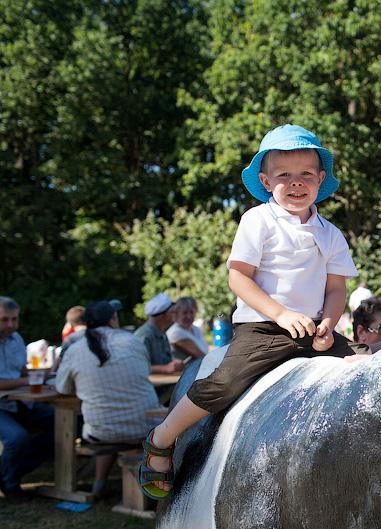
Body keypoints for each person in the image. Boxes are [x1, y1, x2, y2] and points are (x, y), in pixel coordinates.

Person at [140, 124, 361, 499]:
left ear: (321, 180)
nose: (296, 184)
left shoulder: (330, 233)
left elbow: (337, 287)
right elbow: (239, 279)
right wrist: (280, 314)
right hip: (263, 327)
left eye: (306, 174)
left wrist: (328, 322)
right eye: (284, 176)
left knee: (367, 365)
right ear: (265, 180)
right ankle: (162, 438)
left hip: (314, 329)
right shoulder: (258, 221)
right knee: (225, 382)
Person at [55, 301, 159, 498]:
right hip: (145, 427)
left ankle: (98, 483)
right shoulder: (132, 341)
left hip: (101, 431)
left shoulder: (75, 349)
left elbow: (62, 388)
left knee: (108, 419)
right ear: (113, 319)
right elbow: (144, 370)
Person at [0, 297, 54, 501]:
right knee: (16, 438)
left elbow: (21, 370)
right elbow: (20, 378)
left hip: (19, 400)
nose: (11, 325)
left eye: (14, 319)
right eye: (5, 320)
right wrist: (26, 380)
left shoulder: (16, 339)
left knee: (64, 423)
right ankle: (10, 483)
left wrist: (41, 373)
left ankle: (8, 473)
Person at [134, 293, 184, 375]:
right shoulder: (144, 335)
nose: (175, 315)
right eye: (172, 312)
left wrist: (174, 364)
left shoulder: (162, 333)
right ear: (161, 316)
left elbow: (165, 362)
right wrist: (164, 369)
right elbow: (138, 367)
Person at [166, 297, 208, 361]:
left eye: (191, 312)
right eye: (184, 313)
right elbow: (200, 355)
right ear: (177, 314)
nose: (188, 316)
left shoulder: (196, 329)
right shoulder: (175, 333)